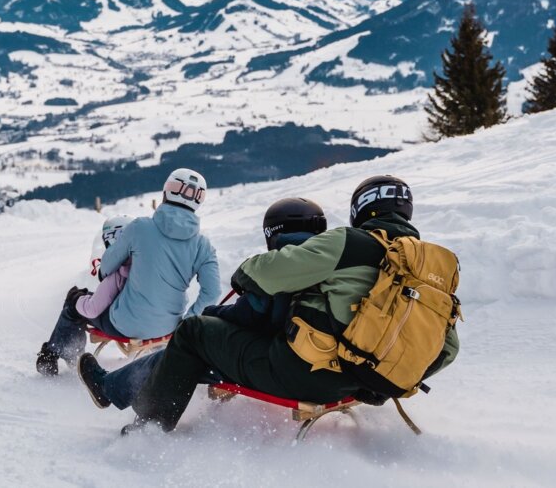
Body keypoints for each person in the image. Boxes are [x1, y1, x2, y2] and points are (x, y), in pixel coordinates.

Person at [121, 175, 460, 434]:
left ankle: (148, 430)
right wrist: (386, 381)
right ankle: (125, 390)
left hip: (301, 374)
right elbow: (446, 349)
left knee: (195, 331)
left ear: (361, 210)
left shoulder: (351, 243)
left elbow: (274, 270)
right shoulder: (431, 268)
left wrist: (244, 275)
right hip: (361, 382)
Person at [76, 197, 328, 410]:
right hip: (330, 375)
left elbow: (250, 315)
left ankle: (121, 398)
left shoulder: (283, 266)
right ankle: (117, 389)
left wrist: (212, 313)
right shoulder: (336, 263)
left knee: (192, 343)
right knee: (200, 345)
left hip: (285, 368)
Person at [35, 168, 220, 376]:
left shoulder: (140, 227)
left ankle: (58, 355)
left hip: (124, 324)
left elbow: (106, 268)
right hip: (170, 327)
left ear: (166, 191)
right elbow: (212, 292)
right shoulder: (203, 245)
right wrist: (186, 322)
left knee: (74, 301)